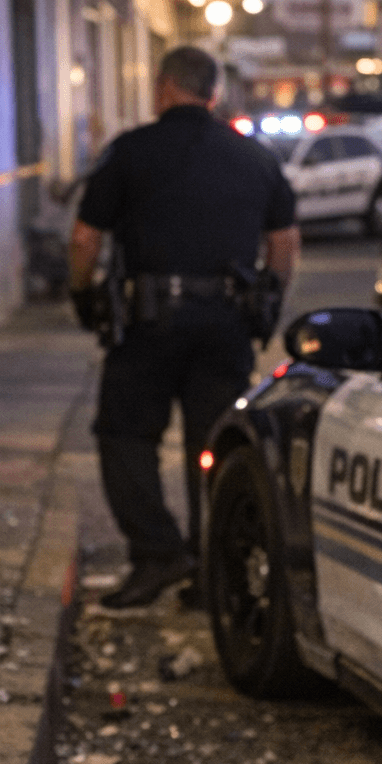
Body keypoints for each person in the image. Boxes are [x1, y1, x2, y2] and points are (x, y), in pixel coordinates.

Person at [68, 46, 299, 609]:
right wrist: (266, 303)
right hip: (224, 323)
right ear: (213, 93)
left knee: (124, 436)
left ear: (165, 86)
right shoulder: (254, 157)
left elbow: (84, 239)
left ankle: (157, 555)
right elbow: (285, 241)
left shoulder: (129, 152)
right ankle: (212, 570)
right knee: (216, 446)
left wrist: (85, 297)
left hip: (146, 323)